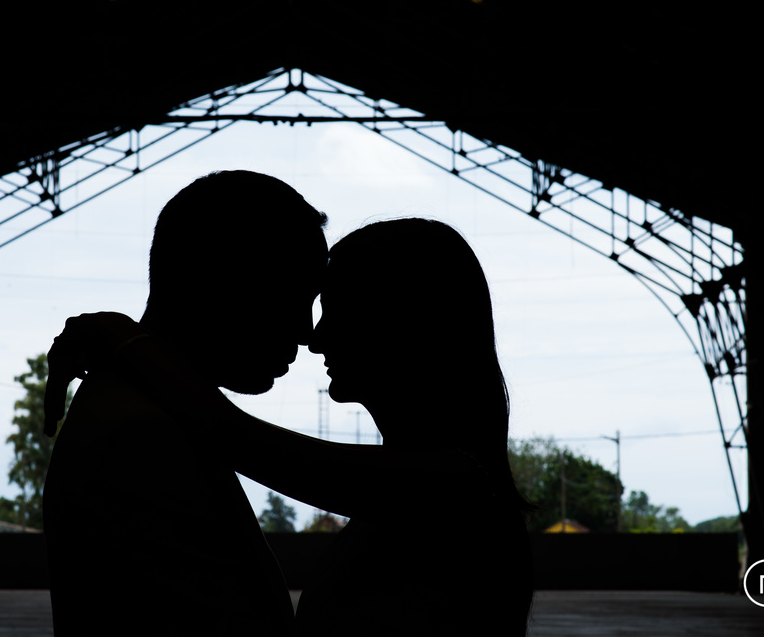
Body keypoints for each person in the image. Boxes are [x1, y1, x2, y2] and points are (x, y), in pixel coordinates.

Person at [58, 218, 533, 635]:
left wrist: (120, 334)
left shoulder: (452, 487)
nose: (315, 336)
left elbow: (233, 434)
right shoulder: (449, 484)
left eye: (336, 309)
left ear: (400, 323)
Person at [41, 170, 328, 635]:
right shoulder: (141, 440)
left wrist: (121, 337)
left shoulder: (150, 416)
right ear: (220, 279)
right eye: (293, 295)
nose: (307, 332)